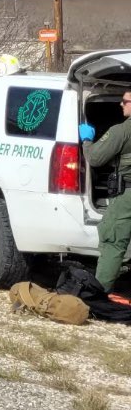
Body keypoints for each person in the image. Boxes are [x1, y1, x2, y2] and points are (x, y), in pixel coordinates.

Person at [81, 92, 131, 289]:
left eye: (126, 101)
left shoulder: (121, 131)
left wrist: (86, 141)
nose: (121, 104)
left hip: (127, 195)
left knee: (113, 241)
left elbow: (95, 158)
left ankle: (99, 295)